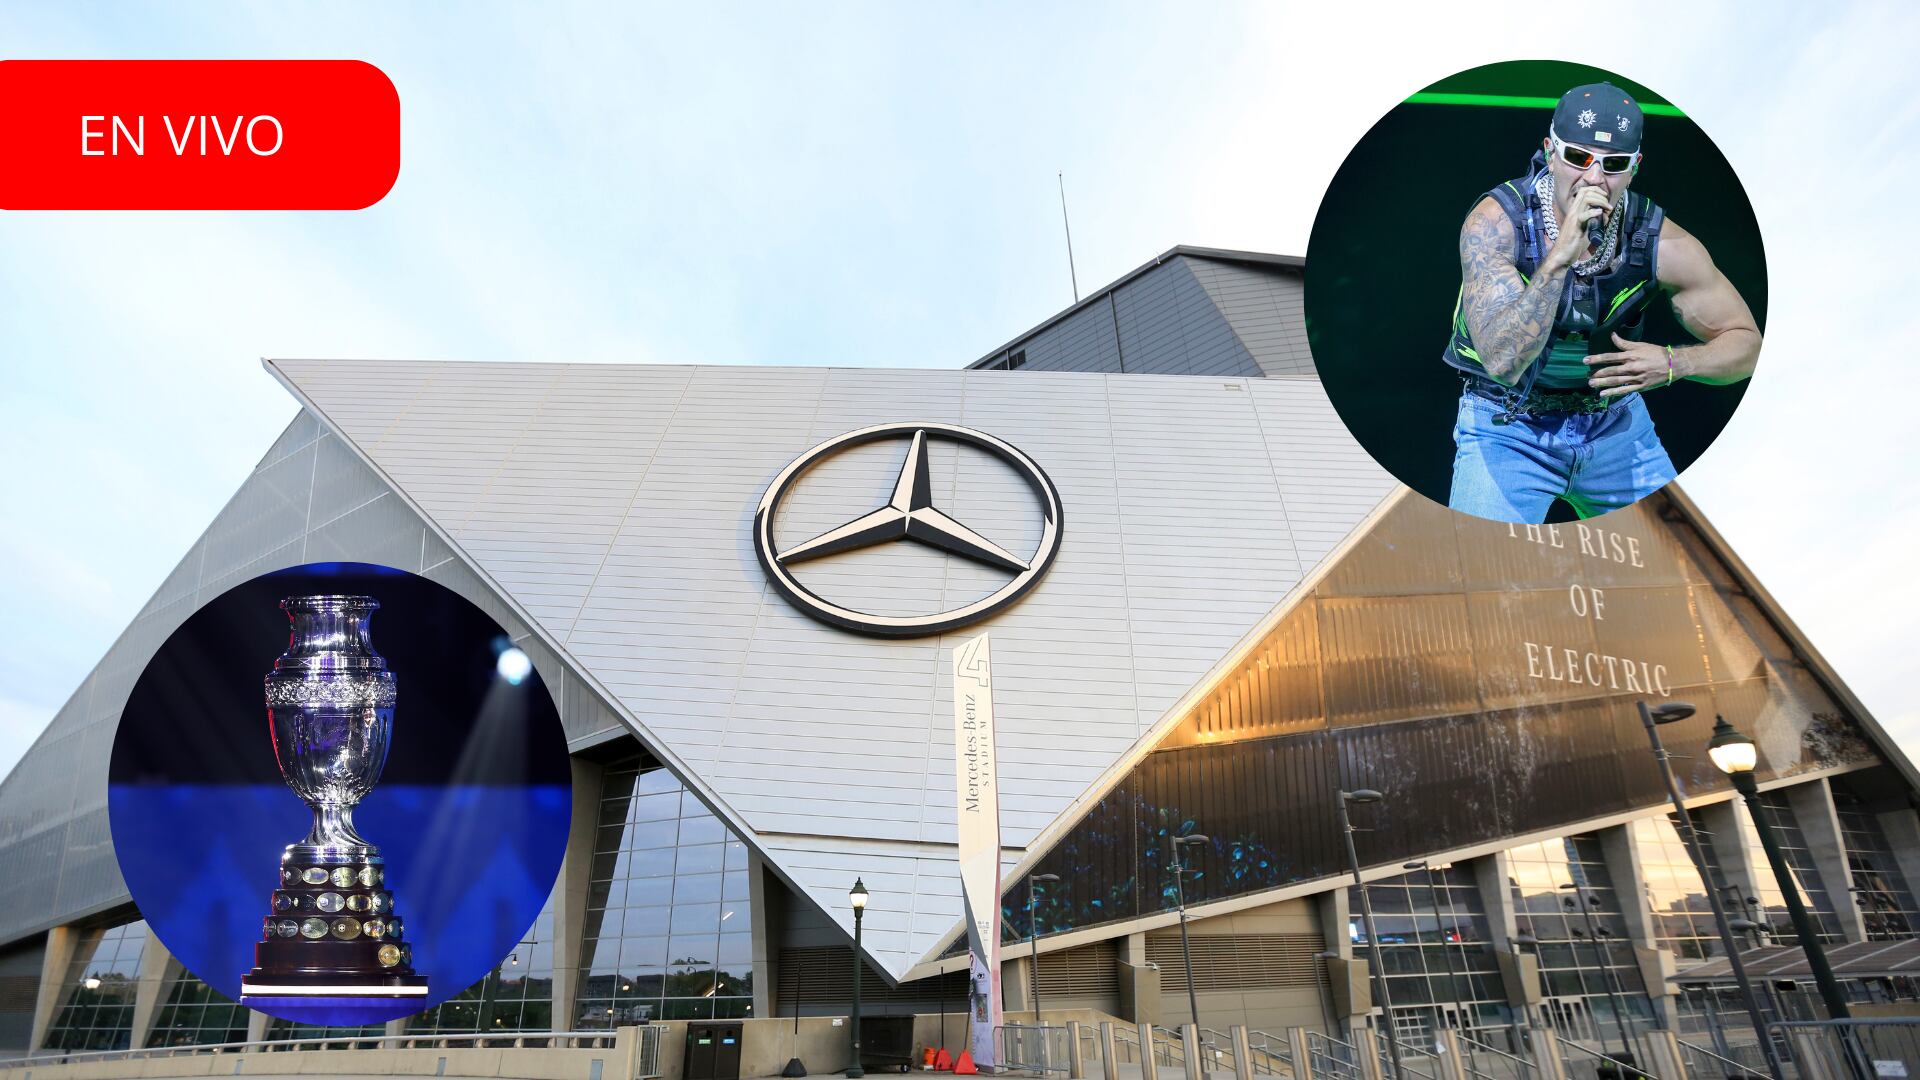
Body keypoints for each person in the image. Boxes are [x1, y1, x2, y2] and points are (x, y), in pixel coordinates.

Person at [1440, 82, 1761, 523]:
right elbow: (1502, 359)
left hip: (1615, 428)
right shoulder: (1498, 224)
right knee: (1481, 575)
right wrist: (1559, 259)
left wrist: (1674, 363)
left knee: (1686, 567)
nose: (1594, 178)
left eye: (1613, 165)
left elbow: (1747, 345)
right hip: (1506, 423)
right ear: (1550, 151)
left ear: (1634, 169)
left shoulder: (1663, 242)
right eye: (1578, 158)